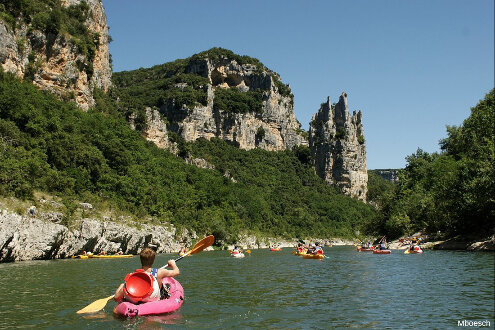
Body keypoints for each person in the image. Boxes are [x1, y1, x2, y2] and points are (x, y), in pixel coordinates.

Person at [114, 247, 180, 303]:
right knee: (165, 287)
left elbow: (116, 298)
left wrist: (122, 286)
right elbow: (177, 272)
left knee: (123, 285)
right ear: (153, 260)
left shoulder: (134, 275)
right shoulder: (160, 272)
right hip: (153, 299)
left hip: (138, 300)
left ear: (141, 260)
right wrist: (173, 264)